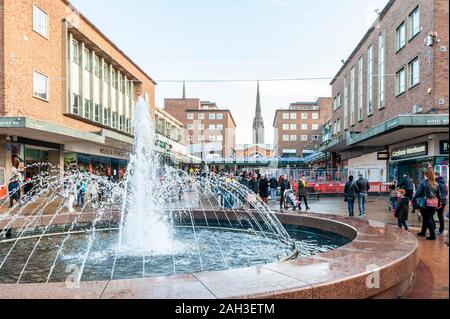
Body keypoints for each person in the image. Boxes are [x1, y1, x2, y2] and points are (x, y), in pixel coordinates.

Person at [413, 168, 441, 241]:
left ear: (426, 175)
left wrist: (413, 200)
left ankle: (432, 235)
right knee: (427, 218)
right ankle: (423, 232)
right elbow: (439, 195)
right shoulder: (436, 184)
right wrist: (439, 203)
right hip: (433, 204)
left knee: (427, 219)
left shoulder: (424, 183)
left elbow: (418, 193)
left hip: (425, 203)